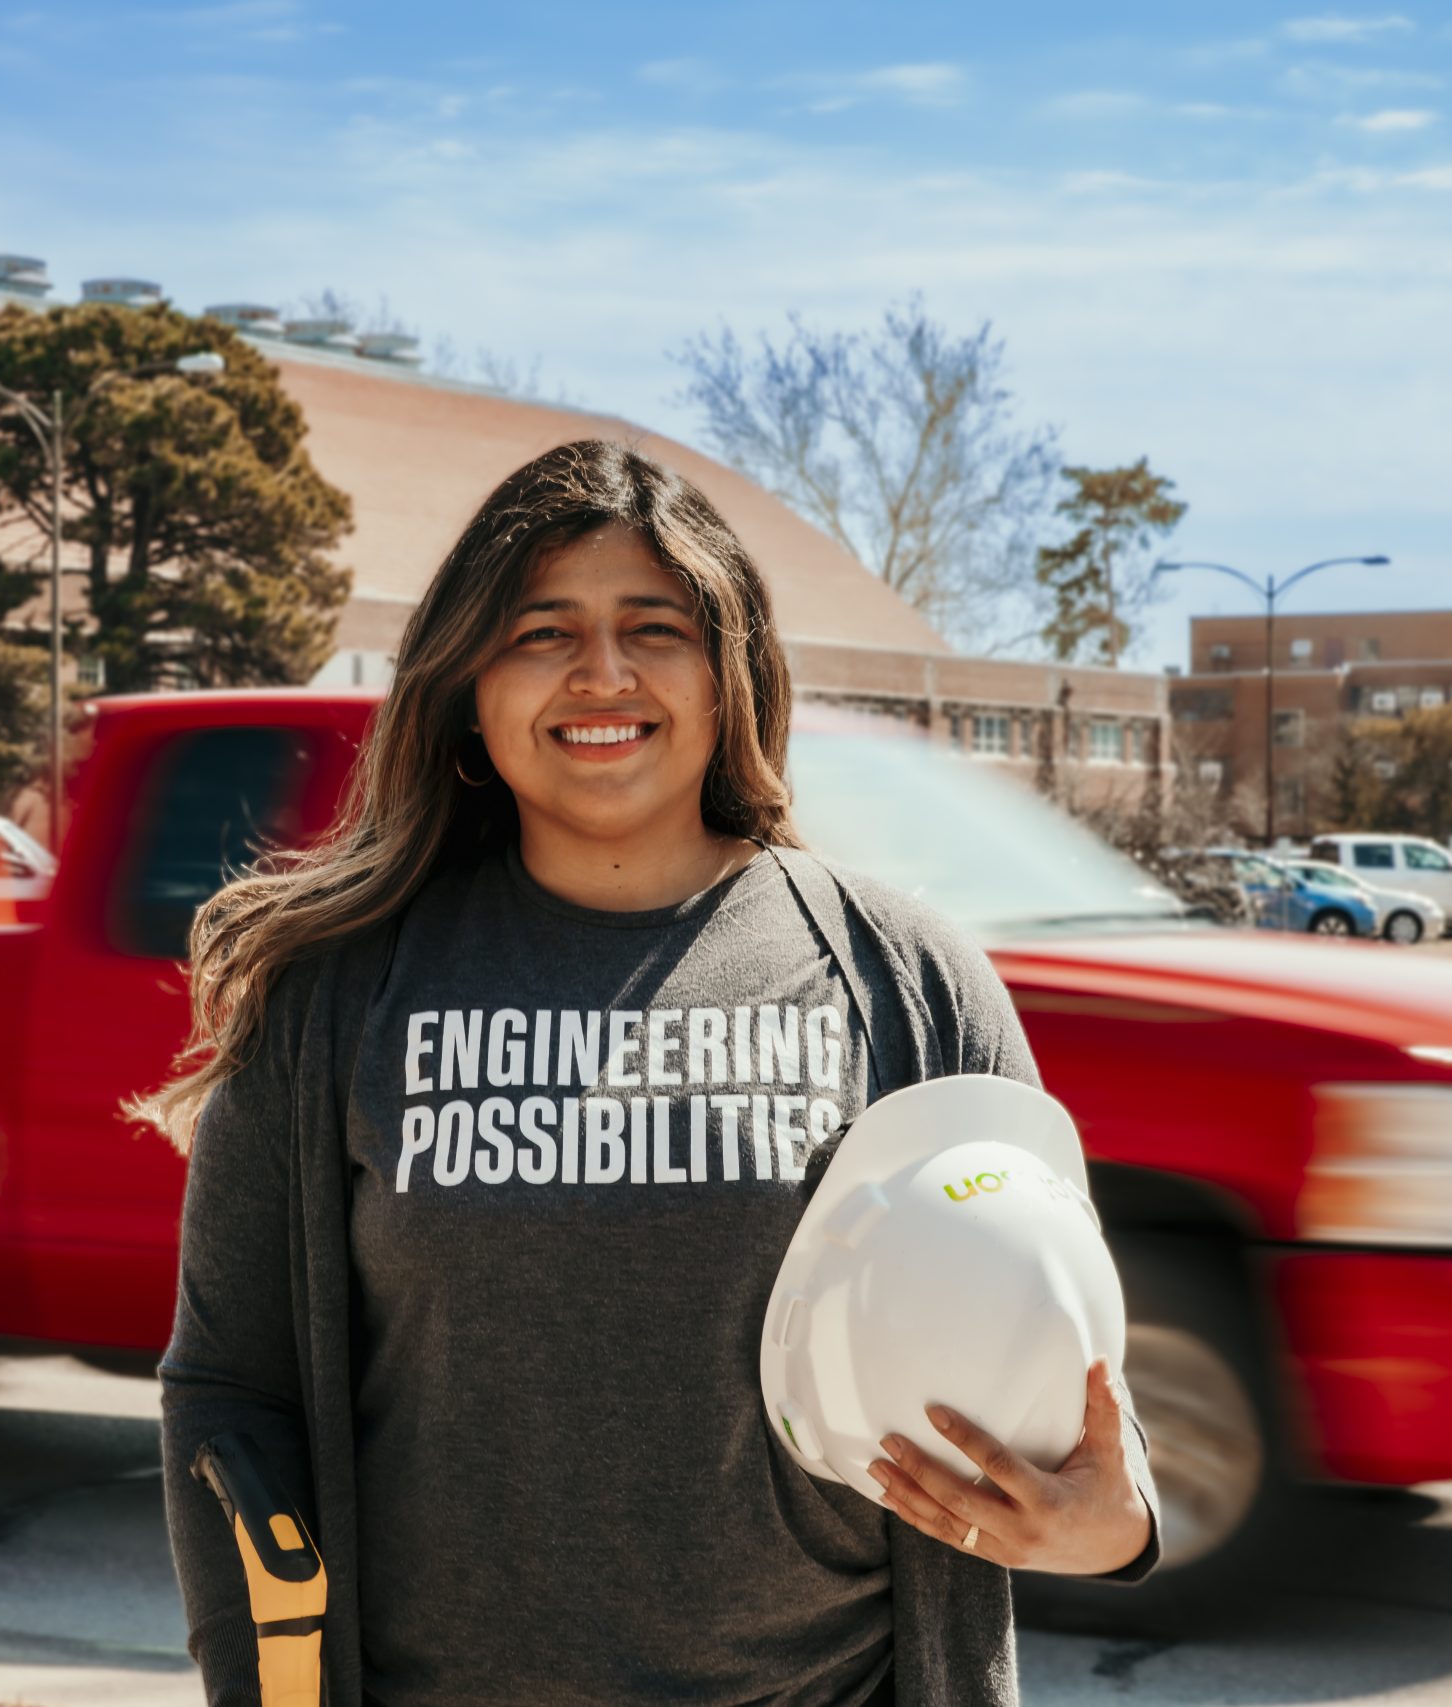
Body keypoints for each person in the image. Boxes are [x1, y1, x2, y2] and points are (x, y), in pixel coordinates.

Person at [141, 439, 1159, 1706]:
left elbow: (1054, 1356)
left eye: (654, 627)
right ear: (467, 683)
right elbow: (229, 1394)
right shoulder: (337, 996)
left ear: (730, 671)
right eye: (540, 632)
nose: (601, 674)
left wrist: (1109, 1527)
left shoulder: (907, 980)